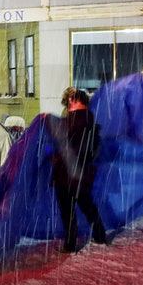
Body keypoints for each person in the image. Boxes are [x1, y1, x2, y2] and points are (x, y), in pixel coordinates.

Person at [49, 87, 106, 253]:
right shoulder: (89, 121)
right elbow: (89, 150)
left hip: (67, 174)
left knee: (68, 210)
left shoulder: (74, 121)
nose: (68, 105)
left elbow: (65, 146)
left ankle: (70, 243)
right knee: (86, 205)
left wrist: (54, 155)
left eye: (69, 101)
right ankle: (100, 235)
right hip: (80, 173)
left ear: (75, 101)